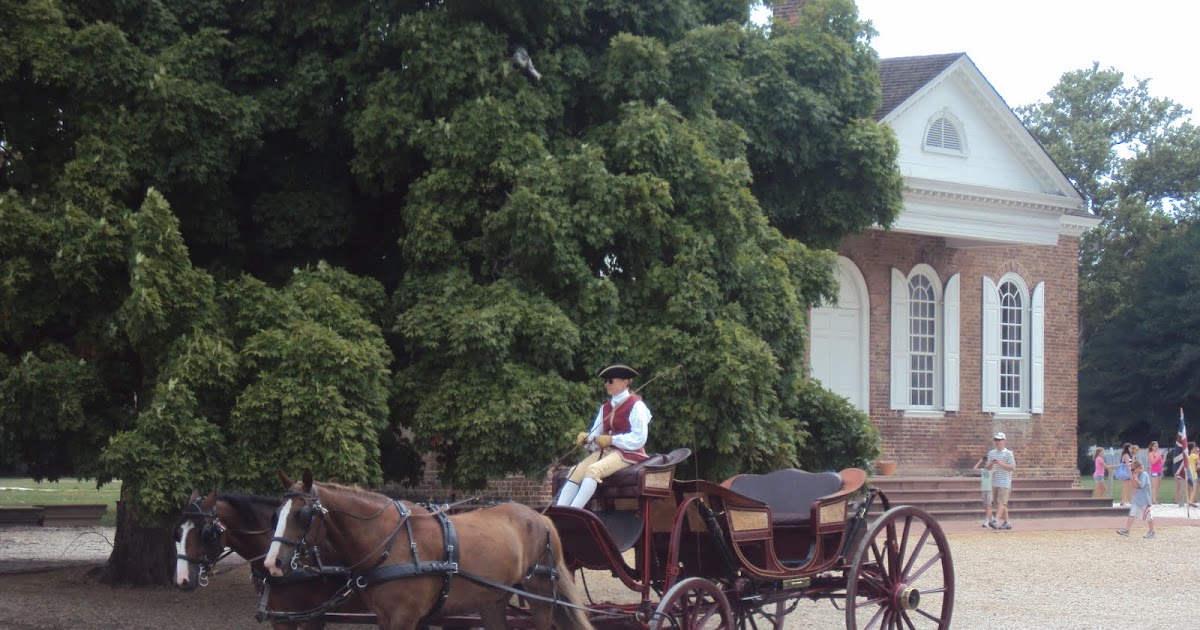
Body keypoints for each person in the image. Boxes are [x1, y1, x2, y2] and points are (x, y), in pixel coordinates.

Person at [554, 364, 652, 509]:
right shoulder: (605, 407)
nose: (607, 384)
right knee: (575, 472)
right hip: (606, 452)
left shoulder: (636, 405)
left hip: (628, 453)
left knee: (593, 470)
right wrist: (587, 439)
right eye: (605, 381)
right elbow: (596, 436)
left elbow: (639, 438)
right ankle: (559, 512)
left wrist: (612, 440)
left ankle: (574, 513)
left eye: (610, 380)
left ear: (625, 382)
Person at [1116, 460, 1156, 539]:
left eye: (1133, 469)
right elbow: (1134, 486)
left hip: (1144, 500)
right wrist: (1133, 478)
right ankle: (1127, 530)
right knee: (1132, 513)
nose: (1132, 471)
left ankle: (1152, 531)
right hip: (1137, 499)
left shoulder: (1144, 475)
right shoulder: (1137, 475)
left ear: (1138, 468)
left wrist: (1136, 479)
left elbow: (1141, 485)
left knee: (1148, 516)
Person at [986, 432, 1016, 530]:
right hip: (995, 481)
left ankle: (996, 520)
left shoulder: (1008, 453)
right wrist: (992, 463)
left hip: (1005, 481)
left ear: (1004, 441)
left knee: (1002, 502)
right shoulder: (991, 453)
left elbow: (1012, 467)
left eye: (999, 440)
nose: (997, 442)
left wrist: (1001, 463)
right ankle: (1007, 522)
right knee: (997, 503)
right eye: (996, 440)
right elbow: (988, 468)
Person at [973, 451, 994, 528]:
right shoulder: (983, 470)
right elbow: (974, 469)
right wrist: (980, 461)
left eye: (987, 462)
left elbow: (992, 466)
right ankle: (992, 518)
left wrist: (991, 462)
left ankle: (987, 521)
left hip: (989, 489)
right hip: (984, 489)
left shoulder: (991, 470)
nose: (986, 463)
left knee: (988, 506)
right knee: (985, 506)